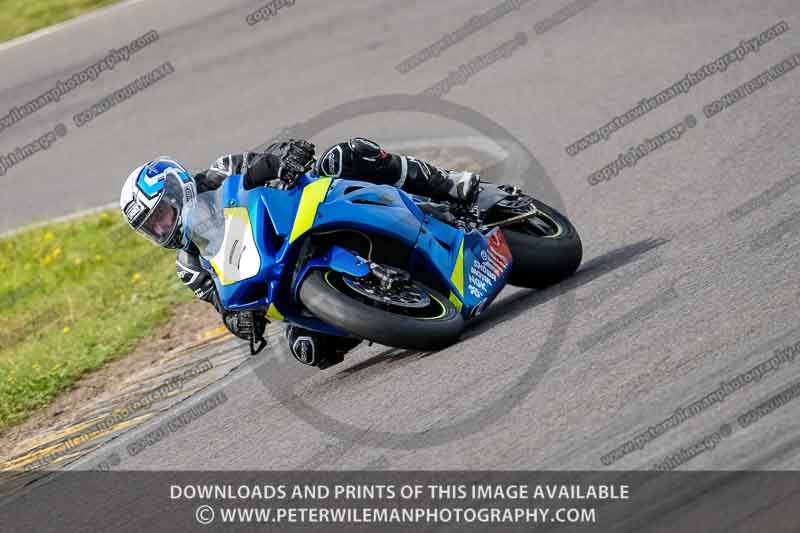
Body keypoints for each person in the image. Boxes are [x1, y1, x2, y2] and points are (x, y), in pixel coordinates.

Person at [119, 138, 479, 368]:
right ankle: (389, 310)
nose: (163, 229)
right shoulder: (190, 267)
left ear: (175, 192)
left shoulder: (220, 172)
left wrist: (287, 158)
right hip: (282, 273)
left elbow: (270, 159)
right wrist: (241, 323)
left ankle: (446, 184)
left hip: (308, 211)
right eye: (154, 228)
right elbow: (224, 307)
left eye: (162, 217)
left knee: (348, 154)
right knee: (307, 348)